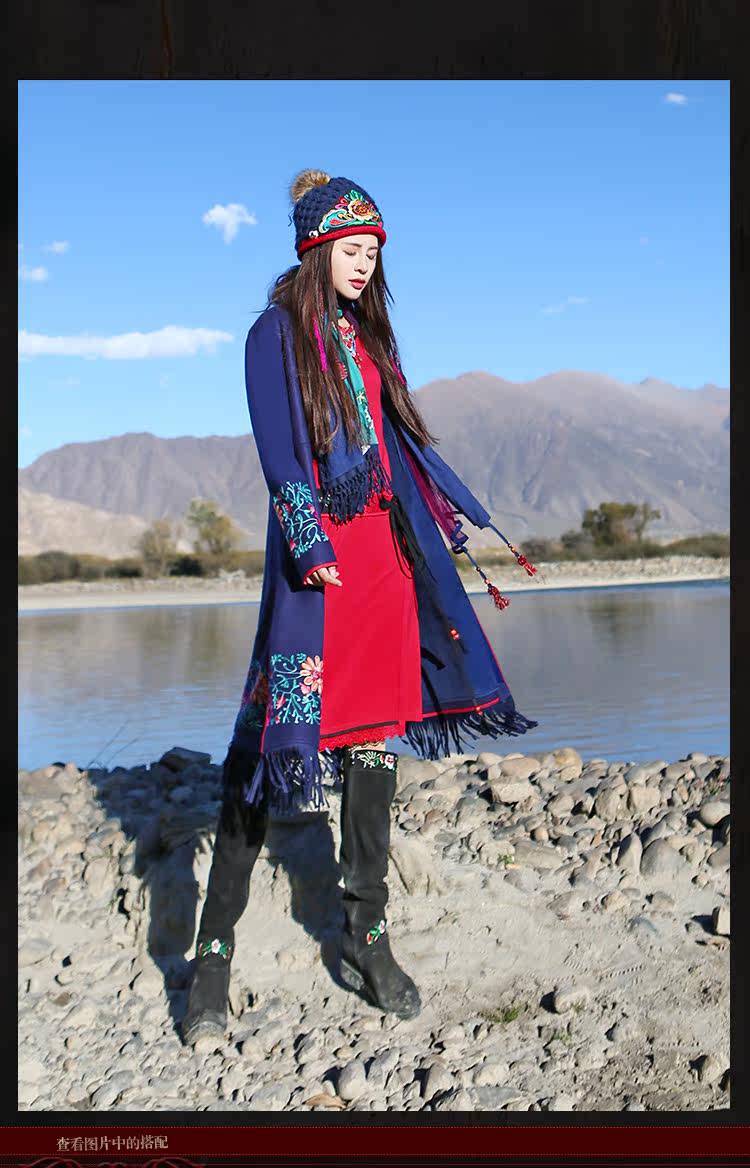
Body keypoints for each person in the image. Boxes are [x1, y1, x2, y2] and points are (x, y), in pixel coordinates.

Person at [181, 170, 540, 1047]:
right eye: (351, 248)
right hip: (317, 569)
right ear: (315, 249)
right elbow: (279, 454)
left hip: (383, 564)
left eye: (373, 250)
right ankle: (213, 956)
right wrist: (310, 543)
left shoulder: (368, 337)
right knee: (267, 748)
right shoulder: (274, 334)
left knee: (375, 739)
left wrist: (431, 534)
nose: (364, 263)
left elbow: (392, 449)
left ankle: (366, 935)